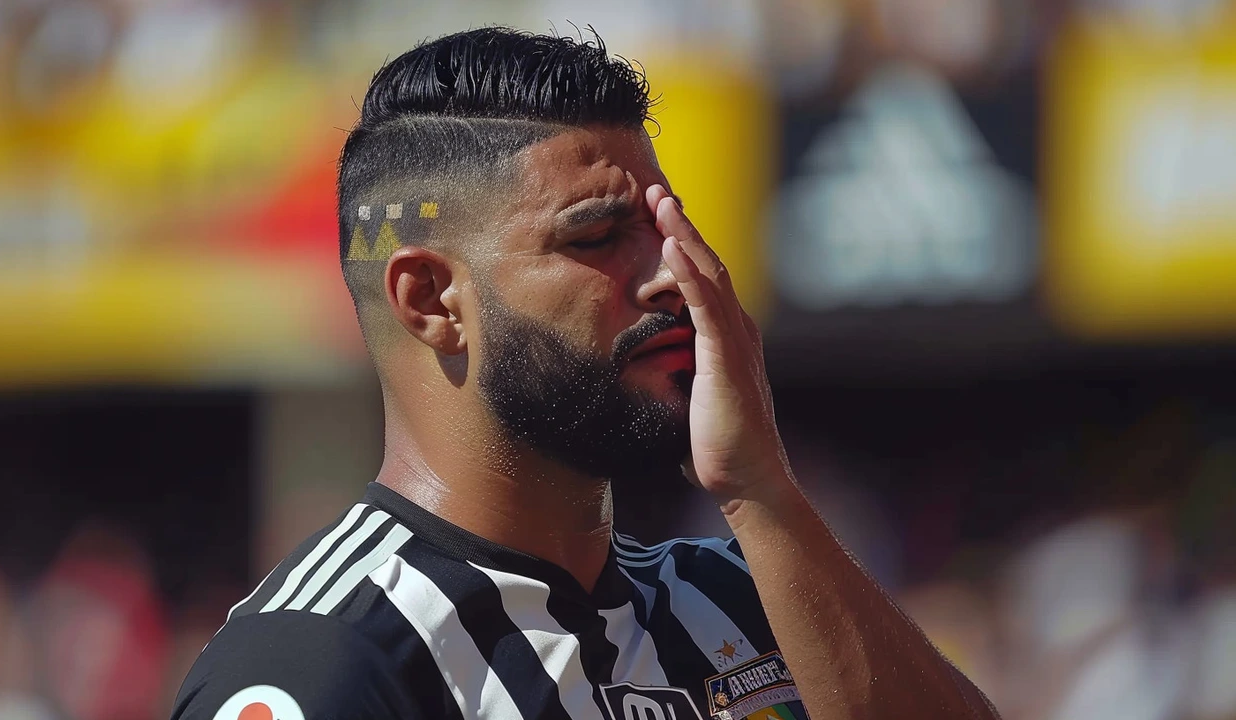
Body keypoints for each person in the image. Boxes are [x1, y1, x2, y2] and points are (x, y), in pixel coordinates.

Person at [171, 27, 998, 720]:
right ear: (430, 300)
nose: (670, 273)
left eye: (664, 224)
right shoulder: (324, 657)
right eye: (598, 237)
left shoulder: (739, 596)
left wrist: (762, 493)